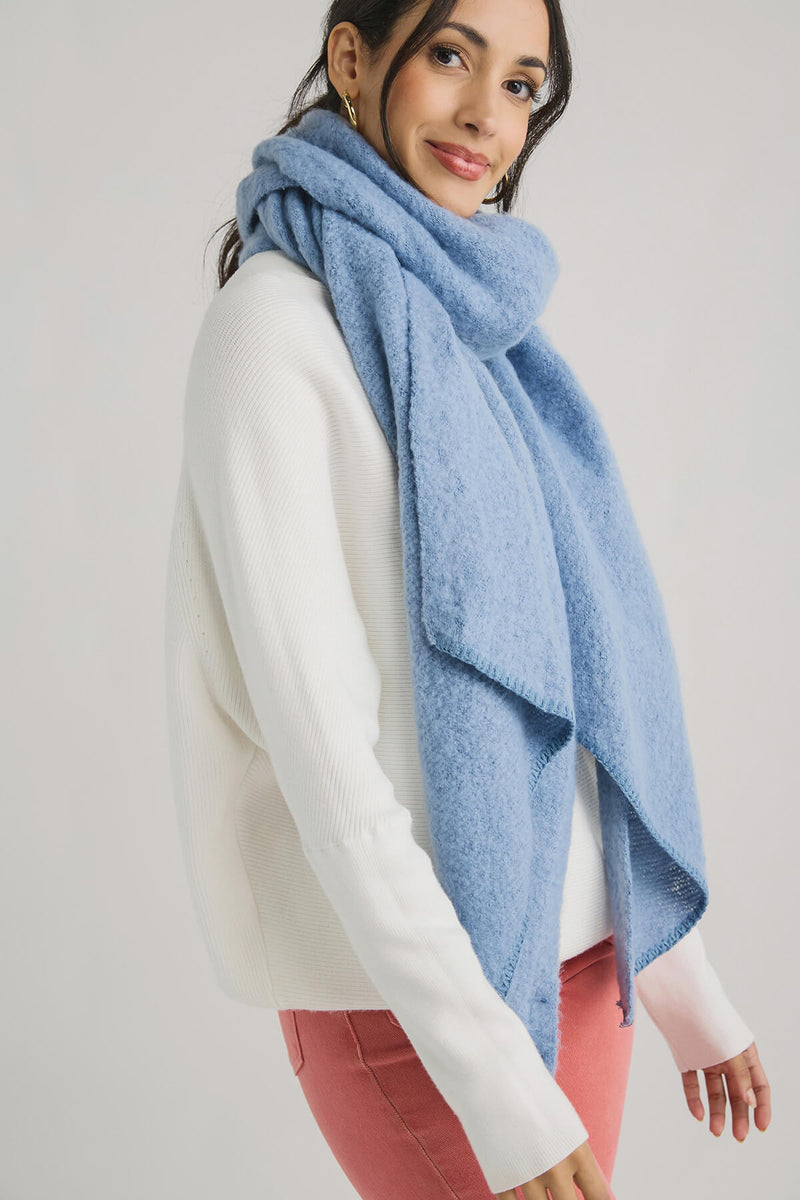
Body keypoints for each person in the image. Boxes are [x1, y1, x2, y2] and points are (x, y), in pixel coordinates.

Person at [164, 1, 772, 1197]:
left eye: (521, 85)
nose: (486, 115)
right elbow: (328, 771)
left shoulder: (480, 329)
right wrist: (497, 1086)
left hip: (584, 972)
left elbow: (574, 688)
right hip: (420, 1012)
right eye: (450, 55)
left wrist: (677, 977)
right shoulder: (270, 337)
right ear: (352, 58)